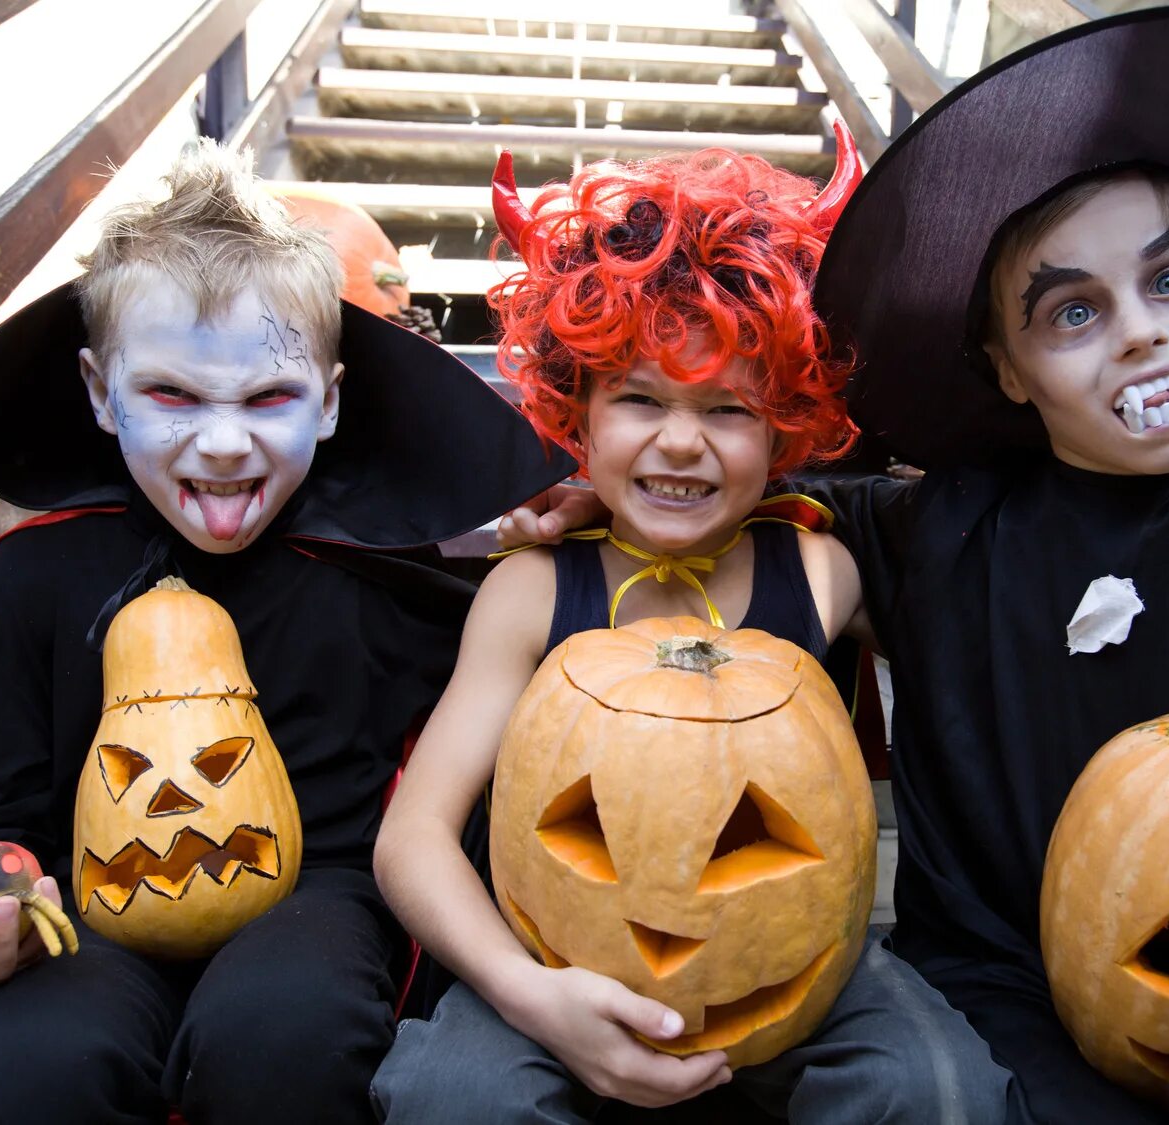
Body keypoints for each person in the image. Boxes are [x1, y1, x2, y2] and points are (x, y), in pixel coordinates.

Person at [513, 10, 1169, 1122]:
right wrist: (599, 505)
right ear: (1005, 369)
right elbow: (740, 488)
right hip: (1003, 1013)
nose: (1142, 335)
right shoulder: (932, 533)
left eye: (1168, 282)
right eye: (1071, 312)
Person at [0, 139, 569, 1125]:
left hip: (320, 897)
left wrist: (581, 528)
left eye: (269, 397)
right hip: (88, 905)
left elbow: (537, 662)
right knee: (14, 1075)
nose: (224, 441)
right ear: (101, 392)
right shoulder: (25, 583)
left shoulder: (387, 585)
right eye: (171, 394)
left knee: (285, 1040)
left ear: (326, 401)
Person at [368, 137, 1029, 1124]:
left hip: (788, 968)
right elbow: (412, 839)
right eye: (638, 398)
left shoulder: (819, 572)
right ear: (576, 414)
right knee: (451, 1095)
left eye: (726, 408)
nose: (680, 439)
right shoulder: (534, 592)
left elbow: (1005, 544)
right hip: (555, 962)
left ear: (783, 432)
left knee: (941, 1092)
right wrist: (526, 994)